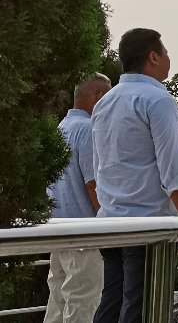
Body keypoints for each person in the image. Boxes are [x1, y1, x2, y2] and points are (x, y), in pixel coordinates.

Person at [92, 29, 178, 323]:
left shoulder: (104, 103)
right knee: (140, 309)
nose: (168, 58)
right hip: (147, 225)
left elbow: (100, 167)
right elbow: (172, 168)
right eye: (165, 52)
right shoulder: (157, 100)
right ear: (153, 57)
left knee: (111, 304)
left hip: (109, 223)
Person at [44, 74, 112, 323]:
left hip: (57, 229)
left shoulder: (61, 128)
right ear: (99, 97)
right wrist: (109, 226)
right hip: (85, 231)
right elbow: (93, 184)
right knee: (83, 300)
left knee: (58, 299)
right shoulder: (88, 130)